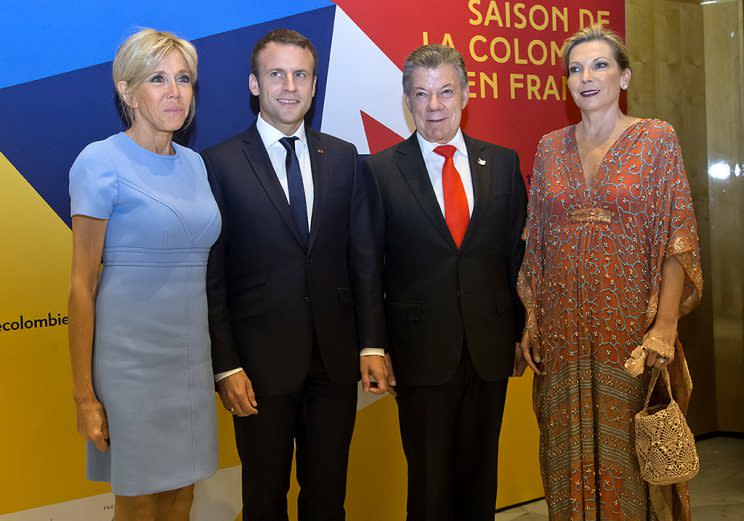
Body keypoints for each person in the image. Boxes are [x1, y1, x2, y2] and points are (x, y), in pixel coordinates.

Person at [516, 25, 702, 521]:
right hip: (562, 335)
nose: (586, 77)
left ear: (624, 77)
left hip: (631, 336)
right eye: (575, 69)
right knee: (564, 452)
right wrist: (533, 319)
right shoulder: (550, 147)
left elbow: (676, 238)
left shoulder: (656, 139)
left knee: (633, 457)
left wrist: (665, 326)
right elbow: (536, 245)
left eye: (599, 65)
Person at [201, 28, 387, 521]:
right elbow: (212, 278)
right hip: (259, 370)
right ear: (254, 84)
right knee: (263, 499)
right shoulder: (218, 163)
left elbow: (363, 259)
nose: (289, 85)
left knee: (328, 497)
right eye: (276, 74)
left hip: (334, 363)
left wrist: (371, 344)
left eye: (300, 74)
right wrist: (226, 365)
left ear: (314, 83)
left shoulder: (344, 157)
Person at [363, 44, 527, 521]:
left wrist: (521, 332)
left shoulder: (501, 163)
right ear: (407, 101)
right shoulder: (378, 171)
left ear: (466, 95)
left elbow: (514, 258)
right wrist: (374, 344)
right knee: (430, 486)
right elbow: (369, 265)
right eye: (421, 94)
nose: (434, 106)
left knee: (481, 480)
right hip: (419, 352)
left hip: (489, 350)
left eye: (445, 92)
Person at [68, 28, 220, 520]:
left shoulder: (196, 165)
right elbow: (81, 286)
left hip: (192, 364)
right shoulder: (99, 162)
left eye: (184, 78)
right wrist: (84, 395)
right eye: (158, 79)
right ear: (127, 90)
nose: (175, 92)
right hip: (129, 368)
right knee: (138, 504)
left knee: (183, 496)